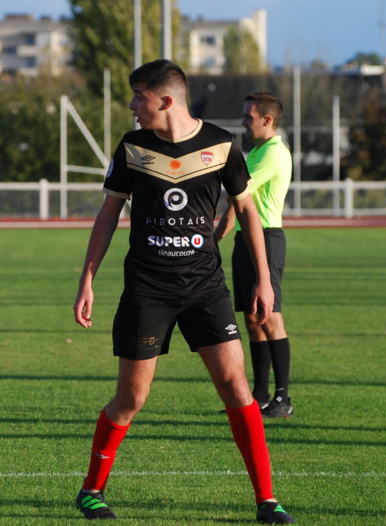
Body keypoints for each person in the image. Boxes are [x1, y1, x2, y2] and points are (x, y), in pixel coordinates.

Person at [72, 60, 295, 524]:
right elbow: (108, 215)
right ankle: (92, 491)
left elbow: (247, 211)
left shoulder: (221, 144)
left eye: (140, 96)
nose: (132, 105)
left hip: (205, 288)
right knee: (131, 399)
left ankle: (267, 500)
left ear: (167, 100)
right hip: (148, 289)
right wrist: (87, 279)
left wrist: (264, 278)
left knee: (237, 387)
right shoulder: (132, 147)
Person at [215, 92, 294, 417]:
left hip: (267, 239)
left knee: (271, 317)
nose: (244, 122)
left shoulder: (273, 152)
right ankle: (259, 396)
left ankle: (283, 399)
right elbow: (238, 203)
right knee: (251, 317)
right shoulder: (259, 151)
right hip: (246, 239)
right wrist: (217, 238)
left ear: (267, 120)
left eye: (249, 117)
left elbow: (237, 193)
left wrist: (214, 236)